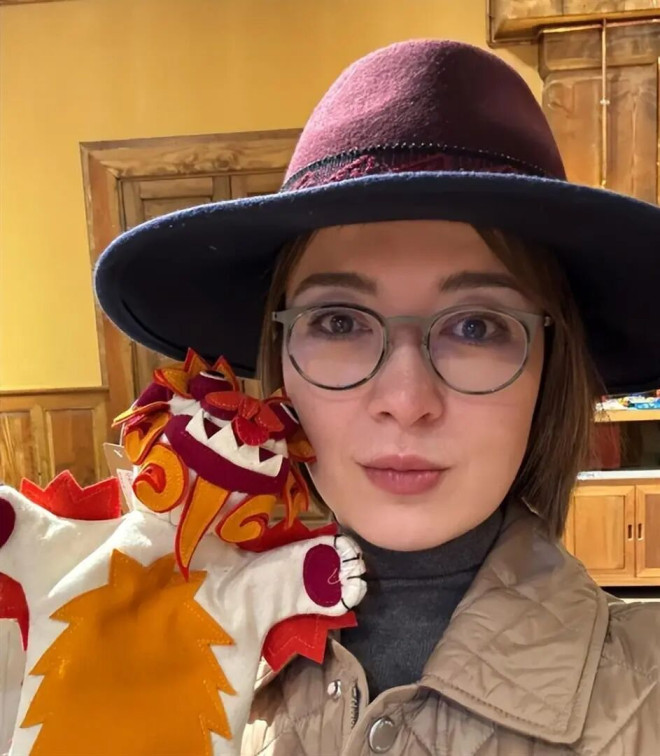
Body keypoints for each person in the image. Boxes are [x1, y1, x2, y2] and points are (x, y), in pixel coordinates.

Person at [94, 39, 660, 754]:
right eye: (339, 322)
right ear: (279, 361)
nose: (406, 399)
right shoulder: (160, 659)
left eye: (476, 326)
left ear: (551, 366)